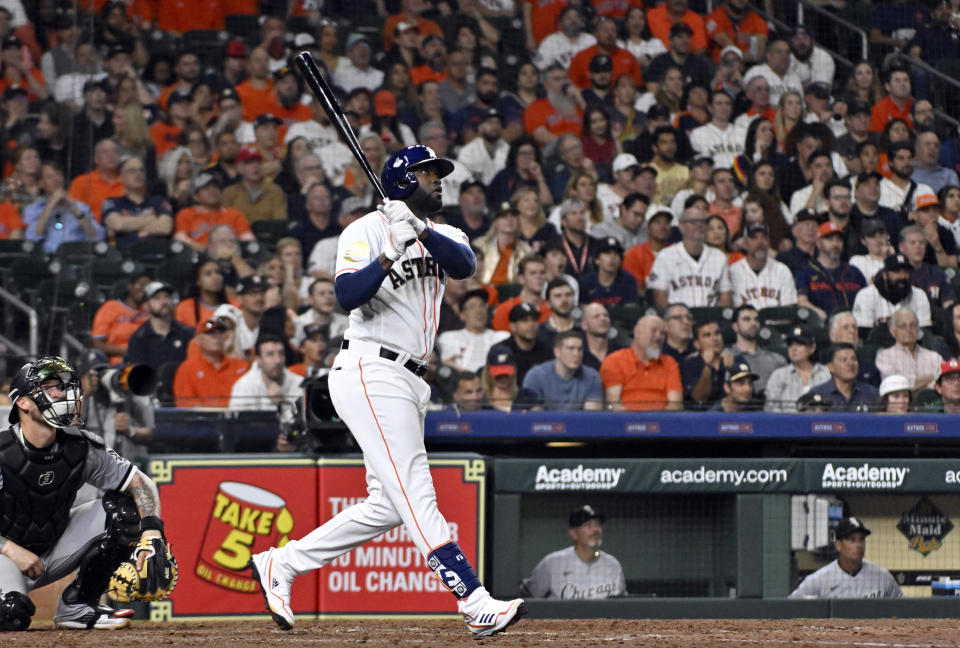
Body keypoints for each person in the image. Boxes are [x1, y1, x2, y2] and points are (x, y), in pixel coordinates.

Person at [248, 145, 526, 638]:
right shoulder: (363, 230)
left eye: (439, 172)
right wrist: (390, 250)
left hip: (412, 379)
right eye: (427, 173)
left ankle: (282, 564)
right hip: (369, 368)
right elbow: (347, 295)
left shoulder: (443, 231)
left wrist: (417, 231)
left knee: (385, 506)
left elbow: (464, 266)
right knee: (416, 490)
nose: (438, 180)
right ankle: (473, 599)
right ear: (401, 180)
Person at [0, 355, 171, 630]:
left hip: (51, 548)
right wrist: (11, 550)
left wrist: (152, 531)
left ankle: (78, 606)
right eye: (49, 387)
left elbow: (139, 482)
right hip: (5, 557)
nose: (61, 393)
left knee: (126, 511)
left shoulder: (82, 447)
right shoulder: (2, 451)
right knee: (12, 615)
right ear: (22, 402)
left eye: (62, 386)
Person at [521, 505, 626, 599]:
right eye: (588, 525)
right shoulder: (553, 563)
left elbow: (621, 607)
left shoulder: (613, 565)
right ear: (574, 533)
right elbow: (527, 597)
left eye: (598, 524)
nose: (595, 529)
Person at [789, 517, 903, 599]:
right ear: (838, 545)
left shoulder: (882, 577)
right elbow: (792, 608)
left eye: (861, 539)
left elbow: (904, 609)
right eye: (852, 540)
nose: (858, 545)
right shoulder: (817, 581)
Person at [648, 205, 733, 309]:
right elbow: (659, 297)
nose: (698, 225)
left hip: (711, 319)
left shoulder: (719, 257)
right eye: (693, 222)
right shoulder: (665, 256)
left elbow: (725, 296)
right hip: (677, 319)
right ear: (681, 226)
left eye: (702, 222)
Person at [600, 314, 683, 411]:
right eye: (654, 331)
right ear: (637, 332)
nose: (659, 336)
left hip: (661, 423)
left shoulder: (669, 363)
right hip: (625, 422)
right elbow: (613, 404)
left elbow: (675, 405)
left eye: (662, 333)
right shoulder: (614, 360)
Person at [23, 161, 104, 254]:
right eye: (50, 177)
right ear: (41, 183)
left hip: (75, 258)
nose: (56, 179)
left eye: (59, 175)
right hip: (46, 259)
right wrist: (51, 205)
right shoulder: (33, 209)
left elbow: (97, 236)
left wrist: (75, 208)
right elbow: (32, 237)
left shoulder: (81, 207)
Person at [795, 222, 867, 321]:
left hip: (852, 325)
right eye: (829, 239)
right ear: (818, 243)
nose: (835, 244)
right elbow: (802, 301)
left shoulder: (854, 272)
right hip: (820, 327)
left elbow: (866, 301)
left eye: (839, 240)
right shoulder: (805, 271)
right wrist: (818, 313)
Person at [173, 317, 250, 408]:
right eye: (210, 332)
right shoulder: (186, 369)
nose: (216, 336)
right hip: (202, 421)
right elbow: (187, 406)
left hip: (240, 419)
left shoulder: (242, 366)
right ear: (198, 340)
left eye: (220, 332)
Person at [521, 330, 603, 411]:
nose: (576, 354)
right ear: (557, 352)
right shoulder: (536, 376)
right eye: (571, 349)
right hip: (546, 423)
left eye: (580, 349)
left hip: (579, 424)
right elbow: (533, 417)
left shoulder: (592, 377)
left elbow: (592, 417)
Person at [437, 288, 510, 373]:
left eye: (482, 305)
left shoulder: (502, 337)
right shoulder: (450, 337)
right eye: (472, 307)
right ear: (462, 315)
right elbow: (447, 363)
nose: (479, 311)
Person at [853, 254, 932, 332]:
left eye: (906, 272)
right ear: (885, 275)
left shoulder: (919, 295)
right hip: (878, 343)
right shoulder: (866, 295)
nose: (902, 276)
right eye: (897, 272)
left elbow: (924, 331)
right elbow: (864, 333)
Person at [125, 281, 194, 370]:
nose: (164, 301)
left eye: (167, 297)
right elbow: (138, 374)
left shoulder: (187, 333)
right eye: (156, 298)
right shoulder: (139, 338)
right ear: (146, 306)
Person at [763, 325, 831, 413]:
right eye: (791, 345)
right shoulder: (779, 375)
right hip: (787, 424)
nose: (794, 349)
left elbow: (832, 403)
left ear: (812, 348)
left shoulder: (825, 372)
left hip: (819, 423)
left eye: (799, 344)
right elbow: (770, 408)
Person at [729, 223, 798, 308]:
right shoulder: (734, 271)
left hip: (776, 320)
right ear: (745, 243)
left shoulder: (782, 270)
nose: (760, 242)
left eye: (764, 237)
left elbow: (789, 308)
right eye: (754, 238)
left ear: (769, 242)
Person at [724, 305, 786, 395]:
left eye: (756, 319)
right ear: (735, 327)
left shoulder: (776, 360)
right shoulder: (725, 356)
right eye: (746, 319)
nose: (753, 323)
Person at [875, 308, 943, 391]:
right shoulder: (884, 356)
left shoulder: (934, 357)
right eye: (902, 326)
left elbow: (943, 383)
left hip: (931, 402)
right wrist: (931, 377)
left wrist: (913, 382)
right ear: (893, 331)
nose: (909, 330)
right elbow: (897, 386)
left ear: (918, 329)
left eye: (913, 325)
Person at [228, 335, 302, 411]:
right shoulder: (243, 386)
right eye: (270, 354)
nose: (278, 361)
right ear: (259, 360)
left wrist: (282, 403)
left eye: (281, 353)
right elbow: (236, 422)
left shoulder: (299, 384)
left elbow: (305, 420)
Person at [808, 343, 880, 411]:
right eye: (844, 360)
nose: (850, 363)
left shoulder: (872, 394)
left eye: (854, 359)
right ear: (831, 367)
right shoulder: (818, 394)